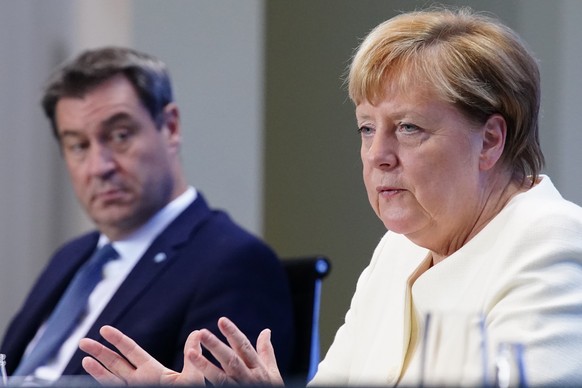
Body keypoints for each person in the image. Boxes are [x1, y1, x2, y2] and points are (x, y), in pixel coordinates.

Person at [79, 7, 582, 387]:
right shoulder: (399, 250)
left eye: (408, 128)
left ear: (490, 140)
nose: (377, 155)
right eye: (367, 129)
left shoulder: (554, 243)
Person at [0, 47, 294, 384]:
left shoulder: (235, 261)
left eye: (120, 136)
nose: (99, 167)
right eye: (78, 145)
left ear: (169, 127)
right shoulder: (70, 258)